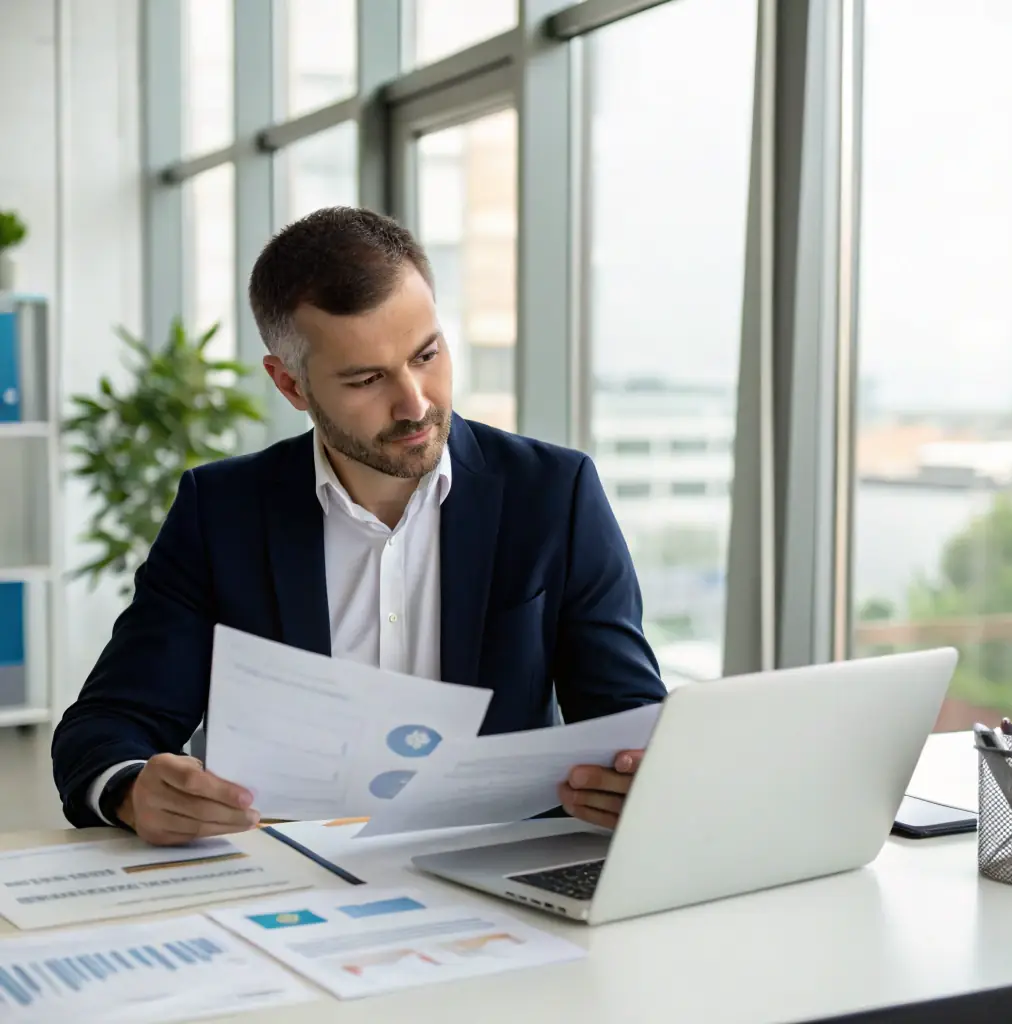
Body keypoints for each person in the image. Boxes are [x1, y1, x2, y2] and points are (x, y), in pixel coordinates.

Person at [51, 207, 666, 845]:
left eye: (426, 354)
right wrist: (130, 790)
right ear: (290, 383)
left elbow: (628, 720)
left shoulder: (553, 494)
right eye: (367, 378)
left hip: (499, 878)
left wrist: (643, 780)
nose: (416, 402)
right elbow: (108, 725)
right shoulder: (222, 510)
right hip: (291, 882)